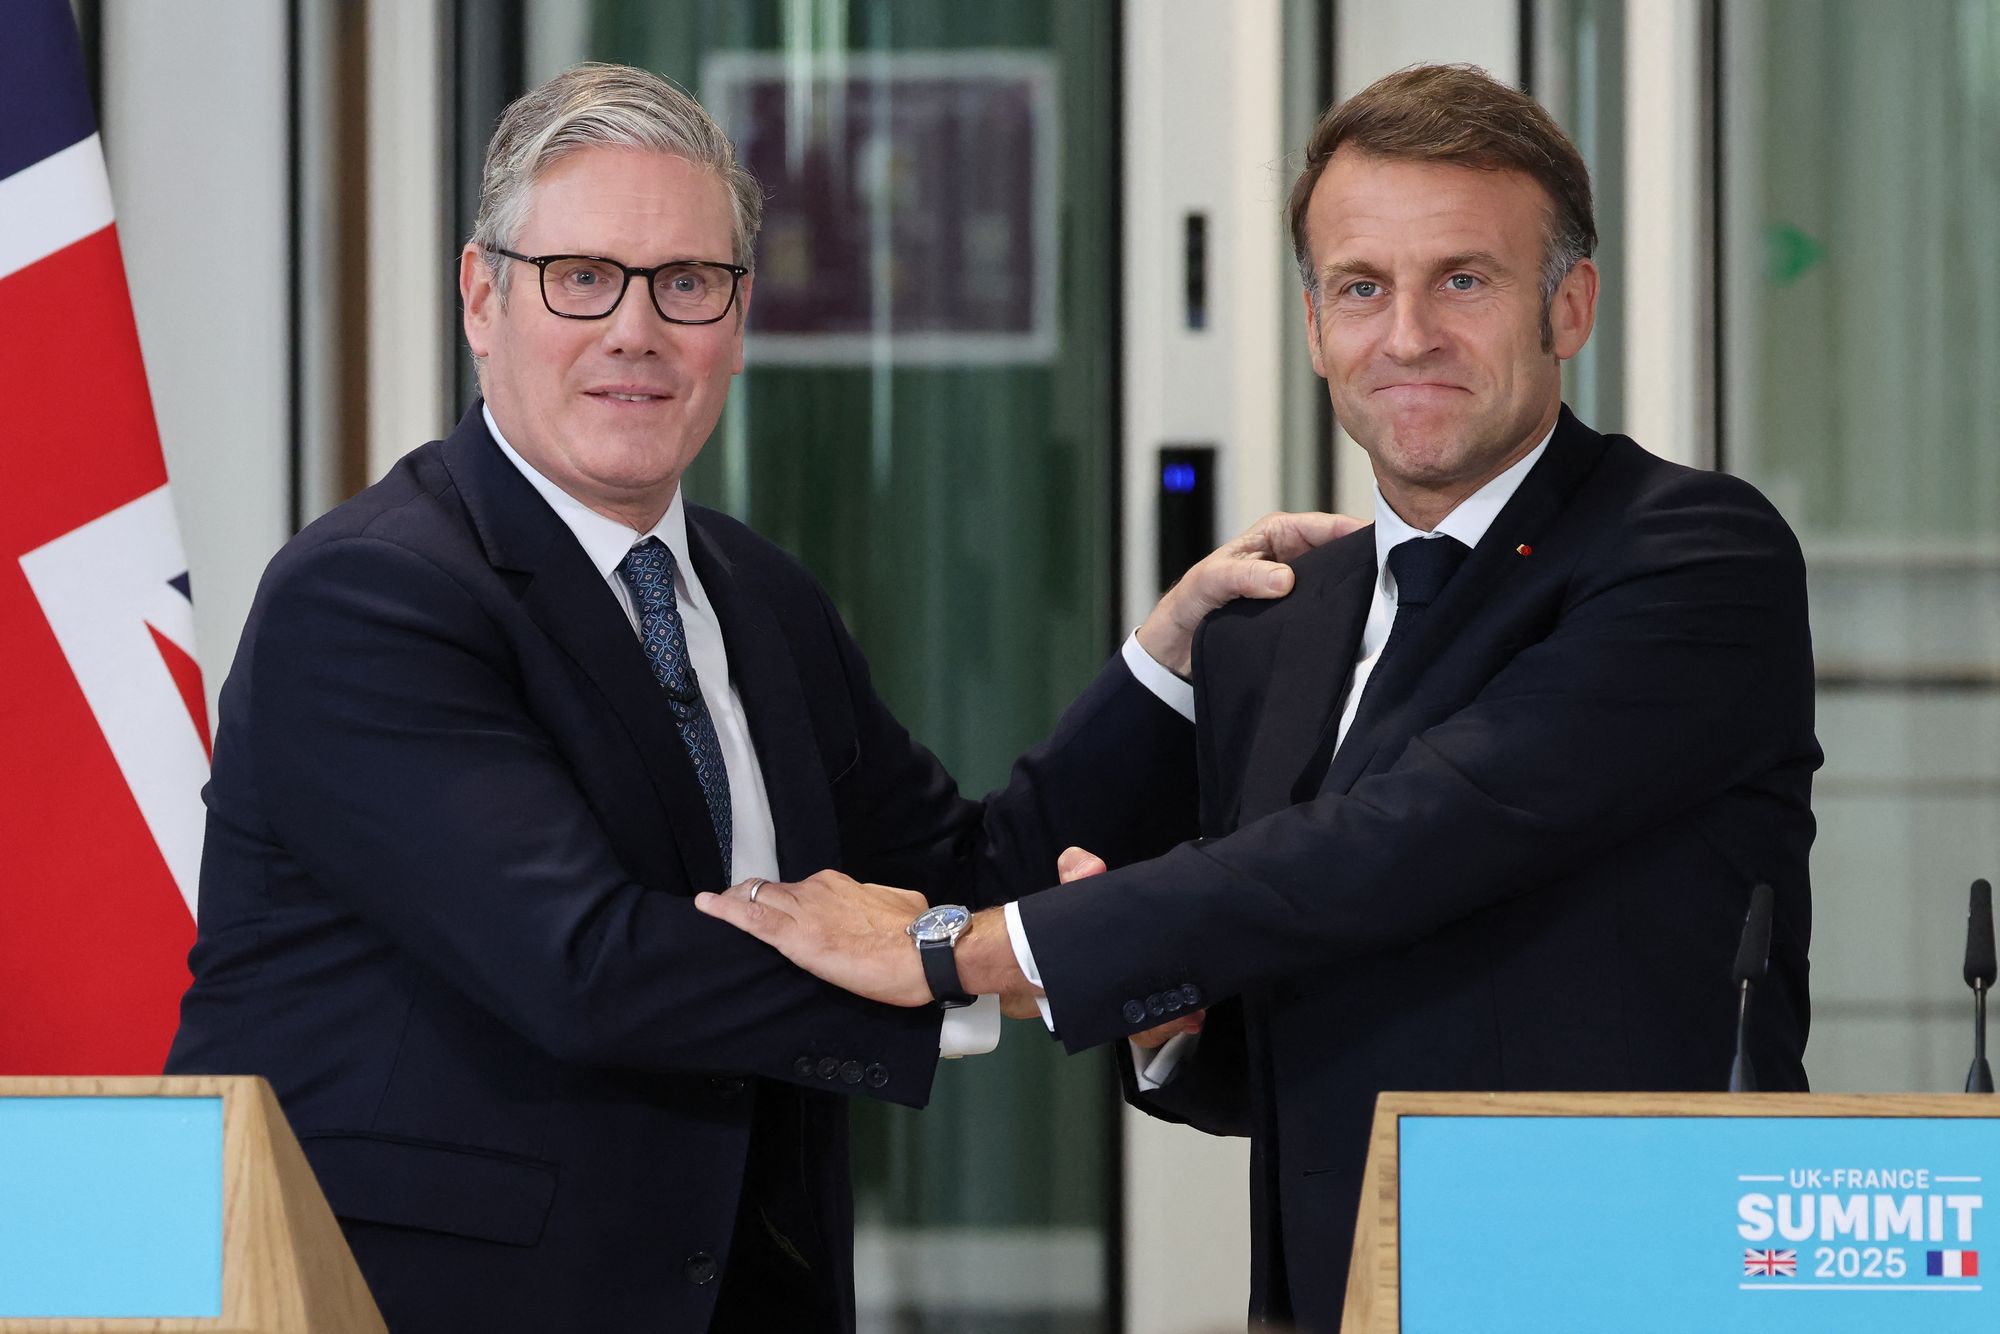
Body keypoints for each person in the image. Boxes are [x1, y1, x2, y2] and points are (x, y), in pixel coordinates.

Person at [164, 63, 1352, 1333]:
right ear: (480, 296)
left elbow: (969, 860)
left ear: (735, 320)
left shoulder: (751, 591)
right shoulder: (368, 598)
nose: (636, 329)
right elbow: (587, 966)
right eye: (581, 277)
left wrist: (1168, 662)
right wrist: (963, 972)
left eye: (686, 282)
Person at [696, 64, 1821, 1332]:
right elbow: (1283, 1035)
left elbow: (1395, 844)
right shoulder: (1274, 627)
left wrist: (952, 952)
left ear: (1568, 304)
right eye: (1359, 287)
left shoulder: (1691, 555)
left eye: (1462, 279)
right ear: (1310, 324)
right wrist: (1171, 1026)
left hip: (1627, 1282)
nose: (1405, 336)